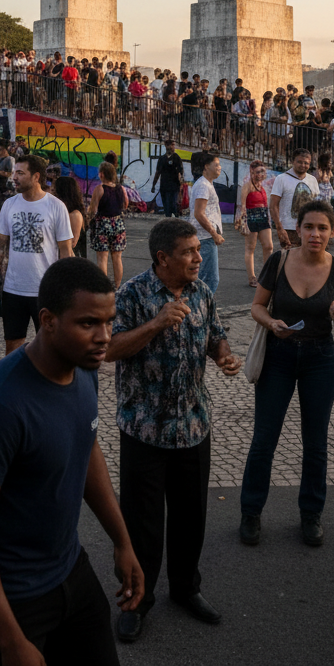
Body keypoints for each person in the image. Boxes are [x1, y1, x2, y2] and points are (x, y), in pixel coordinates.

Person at [0, 257, 143, 665]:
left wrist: (122, 541)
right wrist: (9, 639)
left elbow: (86, 451)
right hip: (7, 594)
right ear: (48, 320)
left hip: (68, 569)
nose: (104, 337)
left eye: (109, 322)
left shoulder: (82, 367)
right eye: (89, 323)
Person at [106, 219, 241, 642]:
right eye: (189, 252)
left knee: (190, 518)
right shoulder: (132, 294)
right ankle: (136, 600)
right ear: (163, 258)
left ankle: (186, 590)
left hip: (193, 426)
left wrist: (223, 355)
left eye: (198, 251)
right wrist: (156, 324)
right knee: (141, 525)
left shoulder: (201, 292)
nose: (199, 258)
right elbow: (109, 348)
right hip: (144, 429)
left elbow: (215, 335)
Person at [238, 201, 334, 551]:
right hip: (279, 356)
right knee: (263, 441)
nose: (315, 234)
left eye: (322, 228)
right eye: (308, 227)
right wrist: (272, 322)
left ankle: (311, 514)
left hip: (320, 358)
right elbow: (257, 306)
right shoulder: (279, 260)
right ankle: (251, 512)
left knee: (316, 443)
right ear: (298, 229)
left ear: (332, 232)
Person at [0, 155, 74, 354]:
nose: (14, 177)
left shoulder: (56, 206)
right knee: (12, 347)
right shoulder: (9, 205)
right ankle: (18, 384)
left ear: (36, 177)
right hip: (13, 289)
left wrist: (66, 289)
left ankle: (47, 385)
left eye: (20, 173)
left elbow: (66, 252)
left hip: (45, 291)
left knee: (50, 346)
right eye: (15, 172)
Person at [269, 148, 320, 250]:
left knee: (308, 261)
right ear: (293, 161)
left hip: (308, 228)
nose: (303, 165)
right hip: (288, 229)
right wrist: (279, 228)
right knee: (289, 261)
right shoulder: (281, 179)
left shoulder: (312, 180)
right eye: (299, 162)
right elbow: (273, 206)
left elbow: (316, 205)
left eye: (306, 163)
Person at [89, 162, 129, 289]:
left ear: (101, 174)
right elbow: (125, 205)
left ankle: (104, 287)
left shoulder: (99, 189)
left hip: (103, 224)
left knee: (102, 258)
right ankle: (117, 286)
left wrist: (88, 218)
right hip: (118, 223)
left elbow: (93, 210)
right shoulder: (121, 189)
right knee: (117, 258)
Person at [189, 153, 223, 294]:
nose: (219, 168)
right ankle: (201, 309)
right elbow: (199, 213)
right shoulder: (203, 185)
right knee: (209, 279)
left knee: (204, 278)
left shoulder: (206, 184)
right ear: (206, 167)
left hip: (204, 236)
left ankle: (200, 308)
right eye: (216, 165)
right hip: (205, 237)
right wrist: (214, 234)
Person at [237, 160, 273, 288]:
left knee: (268, 246)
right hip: (251, 217)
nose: (261, 174)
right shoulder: (248, 185)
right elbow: (242, 204)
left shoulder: (262, 186)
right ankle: (252, 277)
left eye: (263, 171)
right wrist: (243, 219)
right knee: (250, 248)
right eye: (258, 171)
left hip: (263, 217)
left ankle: (267, 274)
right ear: (252, 172)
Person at [53, 175, 88, 258]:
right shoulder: (60, 211)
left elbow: (72, 243)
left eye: (54, 189)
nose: (52, 192)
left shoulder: (74, 215)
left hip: (71, 260)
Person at [151, 139, 184, 218]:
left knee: (174, 205)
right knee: (167, 207)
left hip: (174, 186)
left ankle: (176, 221)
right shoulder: (162, 159)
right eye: (171, 145)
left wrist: (181, 187)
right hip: (164, 186)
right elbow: (157, 172)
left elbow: (181, 173)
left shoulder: (176, 158)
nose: (172, 147)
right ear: (166, 146)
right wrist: (153, 185)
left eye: (173, 145)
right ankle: (168, 222)